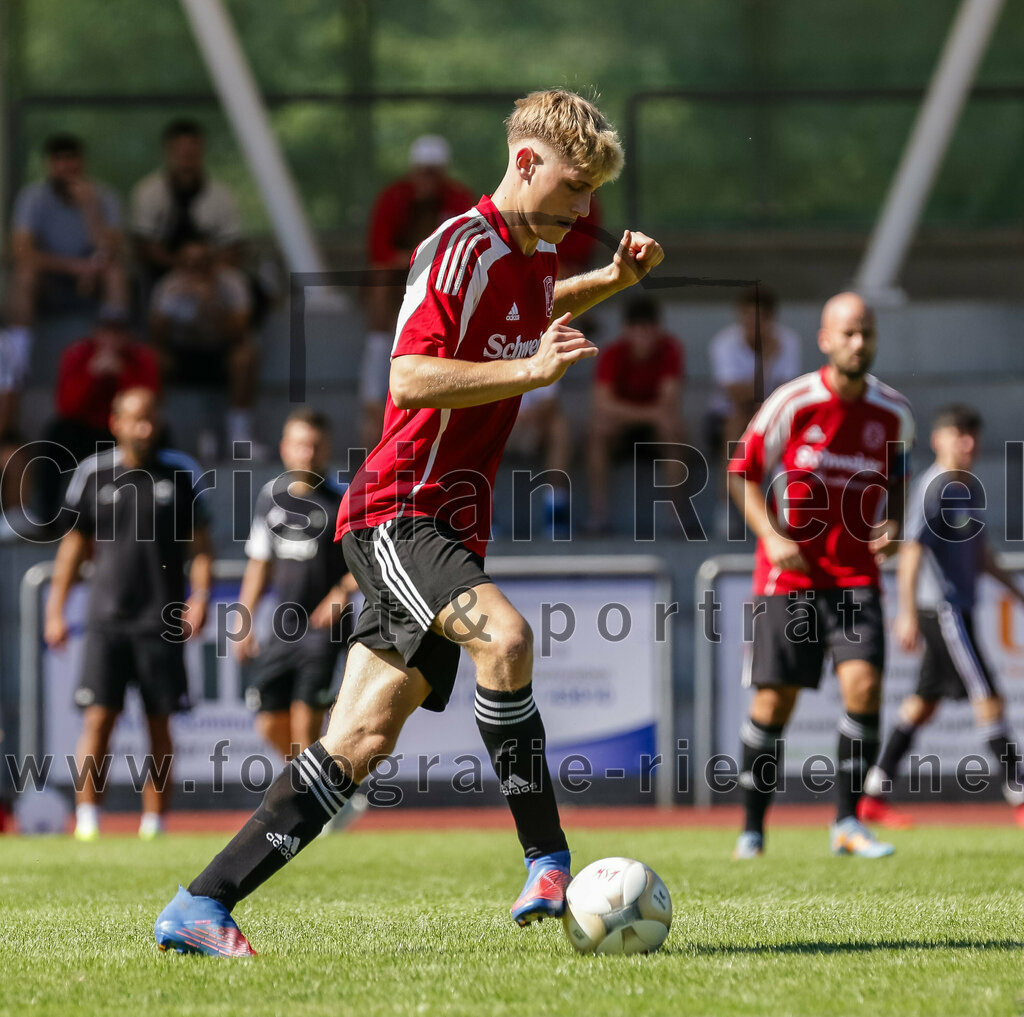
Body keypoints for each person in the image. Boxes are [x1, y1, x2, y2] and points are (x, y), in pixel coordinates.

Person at [155, 87, 664, 956]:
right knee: (503, 638)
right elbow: (410, 377)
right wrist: (534, 376)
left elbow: (521, 319)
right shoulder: (458, 245)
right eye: (577, 189)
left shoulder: (532, 250)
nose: (586, 211)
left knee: (357, 739)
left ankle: (201, 902)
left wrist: (607, 283)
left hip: (447, 522)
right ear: (527, 163)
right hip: (400, 509)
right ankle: (547, 854)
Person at [728, 292, 914, 861]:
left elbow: (898, 483)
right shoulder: (793, 403)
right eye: (849, 333)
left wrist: (894, 525)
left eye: (867, 333)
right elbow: (740, 474)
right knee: (773, 705)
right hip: (789, 581)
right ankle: (752, 829)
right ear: (825, 339)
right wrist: (771, 535)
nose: (859, 343)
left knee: (865, 688)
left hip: (855, 577)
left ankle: (847, 824)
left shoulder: (893, 414)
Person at [44, 387, 213, 841]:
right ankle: (87, 820)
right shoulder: (92, 474)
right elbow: (73, 547)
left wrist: (199, 598)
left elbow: (200, 548)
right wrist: (55, 609)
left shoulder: (181, 471)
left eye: (152, 417)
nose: (146, 427)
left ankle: (155, 823)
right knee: (98, 721)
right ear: (116, 422)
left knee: (161, 723)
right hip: (106, 620)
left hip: (162, 621)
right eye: (136, 419)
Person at [859, 405, 1024, 828]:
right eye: (958, 435)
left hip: (959, 609)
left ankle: (873, 792)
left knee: (923, 704)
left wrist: (1016, 592)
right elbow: (912, 550)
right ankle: (1019, 793)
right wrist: (906, 612)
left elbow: (982, 556)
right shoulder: (934, 488)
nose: (967, 444)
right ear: (938, 439)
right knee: (988, 695)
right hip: (944, 611)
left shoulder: (967, 487)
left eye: (972, 436)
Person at [234, 408, 358, 758]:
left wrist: (341, 592)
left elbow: (372, 563)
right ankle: (322, 792)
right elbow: (259, 564)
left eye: (315, 445)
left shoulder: (345, 500)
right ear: (285, 447)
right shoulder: (270, 498)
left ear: (327, 447)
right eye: (300, 445)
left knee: (306, 726)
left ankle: (312, 807)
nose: (307, 453)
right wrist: (243, 620)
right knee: (270, 724)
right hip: (282, 630)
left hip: (324, 632)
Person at [359, 134, 475, 453]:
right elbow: (380, 252)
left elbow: (466, 250)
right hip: (404, 281)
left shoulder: (458, 199)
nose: (427, 181)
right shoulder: (393, 198)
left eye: (433, 173)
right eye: (422, 172)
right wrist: (421, 258)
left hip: (440, 283)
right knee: (380, 281)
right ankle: (379, 345)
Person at [6, 133, 127, 431]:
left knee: (116, 275)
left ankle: (115, 345)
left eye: (71, 159)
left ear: (81, 162)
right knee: (24, 276)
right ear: (50, 164)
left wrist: (90, 209)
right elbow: (22, 251)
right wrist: (73, 267)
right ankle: (19, 357)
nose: (66, 167)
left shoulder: (104, 196)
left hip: (93, 278)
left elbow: (111, 251)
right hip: (53, 279)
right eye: (59, 160)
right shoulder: (33, 197)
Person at [37, 307, 161, 525]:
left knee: (158, 437)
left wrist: (122, 374)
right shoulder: (77, 355)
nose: (112, 339)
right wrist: (92, 376)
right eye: (106, 331)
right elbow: (66, 406)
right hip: (83, 430)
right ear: (95, 332)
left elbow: (148, 403)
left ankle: (159, 508)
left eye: (118, 332)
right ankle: (48, 519)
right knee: (55, 435)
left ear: (129, 335)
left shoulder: (142, 358)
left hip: (123, 433)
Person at [585, 295, 687, 535]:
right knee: (597, 433)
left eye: (648, 328)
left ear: (657, 329)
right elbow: (603, 404)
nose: (643, 336)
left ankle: (677, 518)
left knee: (674, 434)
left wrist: (642, 414)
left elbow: (669, 402)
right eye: (637, 329)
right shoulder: (612, 354)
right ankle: (599, 515)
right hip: (624, 429)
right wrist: (649, 414)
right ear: (626, 330)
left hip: (654, 431)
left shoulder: (670, 350)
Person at [708, 287, 801, 534]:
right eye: (747, 317)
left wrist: (757, 399)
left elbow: (786, 394)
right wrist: (766, 362)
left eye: (758, 318)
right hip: (728, 416)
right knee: (735, 425)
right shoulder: (724, 343)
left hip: (770, 413)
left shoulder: (789, 342)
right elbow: (735, 396)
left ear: (770, 320)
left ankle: (785, 509)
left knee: (790, 432)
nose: (752, 324)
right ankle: (725, 508)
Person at [149, 239, 257, 451]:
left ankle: (240, 435)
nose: (194, 269)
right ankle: (158, 429)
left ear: (213, 263)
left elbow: (241, 332)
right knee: (153, 359)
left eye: (201, 263)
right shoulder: (168, 286)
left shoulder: (231, 283)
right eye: (187, 263)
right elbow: (156, 336)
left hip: (220, 350)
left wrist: (210, 304)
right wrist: (171, 306)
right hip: (182, 352)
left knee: (245, 357)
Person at [130, 119, 242, 285]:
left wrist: (206, 267)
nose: (187, 158)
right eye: (181, 152)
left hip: (212, 271)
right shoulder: (148, 191)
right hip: (163, 272)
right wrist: (180, 266)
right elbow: (144, 243)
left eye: (192, 152)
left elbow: (232, 242)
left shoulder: (221, 193)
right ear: (168, 151)